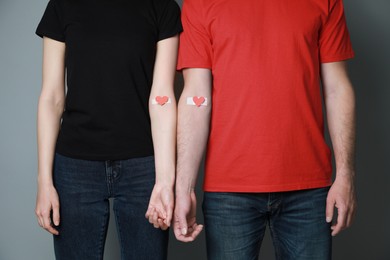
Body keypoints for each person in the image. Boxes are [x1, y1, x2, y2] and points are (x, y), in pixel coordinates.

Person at [173, 0, 357, 259]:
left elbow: (337, 89)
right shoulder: (200, 3)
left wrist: (346, 175)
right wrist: (183, 187)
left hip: (309, 187)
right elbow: (195, 98)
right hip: (229, 190)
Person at [34, 0, 182, 259]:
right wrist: (44, 181)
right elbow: (52, 97)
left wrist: (165, 181)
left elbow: (163, 98)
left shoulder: (162, 6)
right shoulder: (63, 5)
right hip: (75, 167)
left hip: (143, 165)